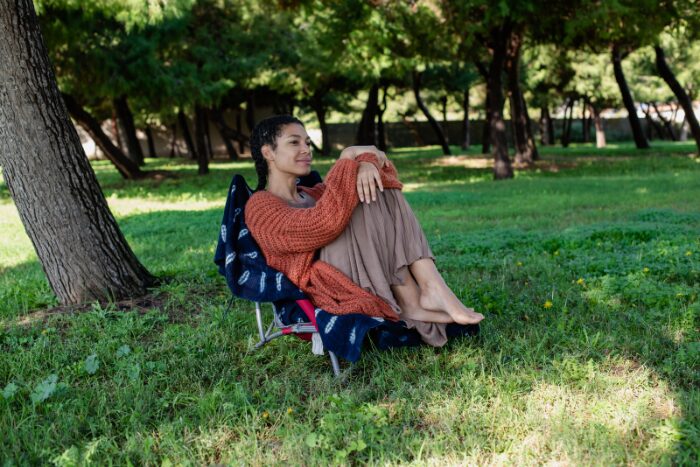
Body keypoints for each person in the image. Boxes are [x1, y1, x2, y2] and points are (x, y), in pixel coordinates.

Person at [245, 115, 483, 346]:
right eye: (294, 142)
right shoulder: (260, 206)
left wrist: (367, 163)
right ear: (268, 152)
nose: (306, 149)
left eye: (307, 142)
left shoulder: (315, 193)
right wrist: (348, 156)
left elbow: (387, 172)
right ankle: (421, 294)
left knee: (372, 184)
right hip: (328, 284)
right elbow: (323, 224)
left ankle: (427, 289)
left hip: (363, 266)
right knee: (356, 192)